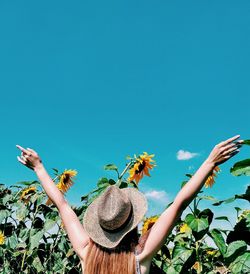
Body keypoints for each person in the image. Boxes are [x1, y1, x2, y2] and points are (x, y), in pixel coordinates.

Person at [16, 135, 243, 274]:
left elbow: (63, 205)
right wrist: (210, 162)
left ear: (99, 226)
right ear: (131, 225)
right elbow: (178, 205)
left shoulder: (87, 254)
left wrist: (39, 168)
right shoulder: (138, 259)